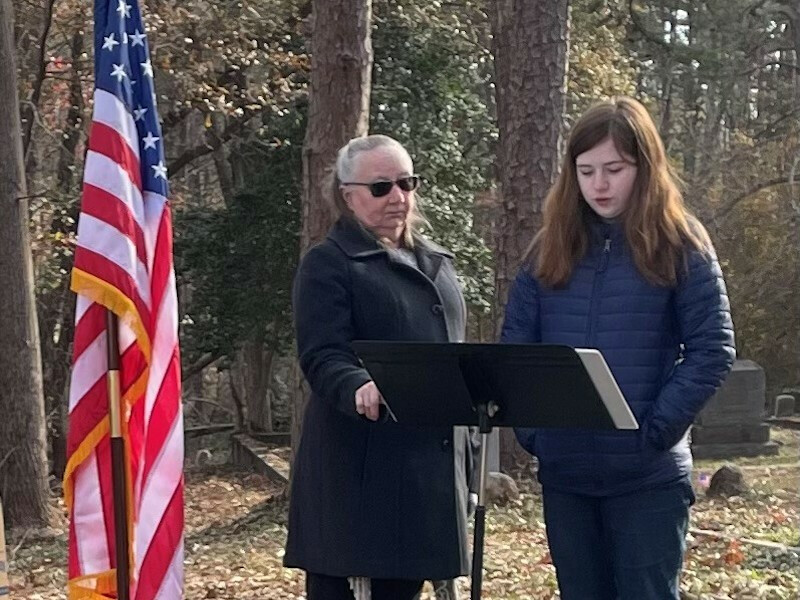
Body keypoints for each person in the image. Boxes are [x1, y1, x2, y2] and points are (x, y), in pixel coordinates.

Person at [500, 96, 735, 599]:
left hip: (647, 478)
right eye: (586, 171)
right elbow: (517, 351)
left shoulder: (681, 244)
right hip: (566, 475)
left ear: (644, 167)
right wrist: (536, 435)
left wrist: (653, 433)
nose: (599, 185)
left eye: (614, 169)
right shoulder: (547, 250)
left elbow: (712, 348)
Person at [284, 134, 474, 600]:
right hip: (362, 478)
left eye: (407, 183)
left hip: (428, 476)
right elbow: (322, 353)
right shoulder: (328, 264)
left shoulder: (436, 263)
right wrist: (359, 386)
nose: (399, 197)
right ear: (348, 196)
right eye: (381, 187)